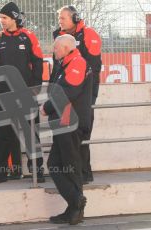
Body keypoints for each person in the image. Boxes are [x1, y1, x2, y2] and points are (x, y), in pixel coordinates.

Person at [0, 2, 44, 183]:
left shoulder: (28, 37)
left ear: (14, 18)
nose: (1, 21)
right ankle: (0, 172)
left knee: (30, 133)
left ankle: (36, 170)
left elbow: (38, 63)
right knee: (2, 134)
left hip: (26, 93)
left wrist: (35, 88)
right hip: (3, 95)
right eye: (0, 18)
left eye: (4, 18)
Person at [41, 34, 92, 225]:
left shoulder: (77, 63)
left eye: (56, 47)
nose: (53, 51)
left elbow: (68, 91)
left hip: (70, 123)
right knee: (58, 165)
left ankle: (76, 202)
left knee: (68, 165)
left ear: (65, 47)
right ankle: (74, 208)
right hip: (64, 123)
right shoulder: (65, 64)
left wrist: (46, 108)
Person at [52, 5, 102, 183]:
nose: (60, 22)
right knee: (65, 133)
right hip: (65, 89)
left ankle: (84, 173)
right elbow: (57, 65)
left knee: (81, 132)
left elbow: (94, 67)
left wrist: (82, 91)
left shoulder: (89, 34)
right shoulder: (58, 35)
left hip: (84, 91)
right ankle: (71, 172)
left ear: (75, 18)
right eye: (59, 19)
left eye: (63, 18)